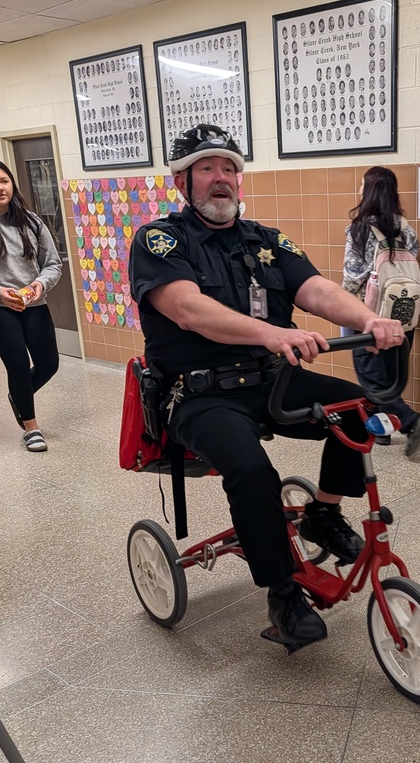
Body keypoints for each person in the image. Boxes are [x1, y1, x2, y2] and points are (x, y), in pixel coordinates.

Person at [128, 125, 405, 652]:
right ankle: (282, 594)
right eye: (207, 168)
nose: (221, 178)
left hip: (272, 381)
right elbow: (187, 309)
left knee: (355, 408)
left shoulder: (268, 240)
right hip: (199, 394)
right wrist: (273, 333)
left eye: (229, 168)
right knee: (253, 471)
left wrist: (372, 321)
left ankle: (322, 513)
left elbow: (318, 290)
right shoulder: (160, 240)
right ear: (183, 180)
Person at [341, 166, 420, 456]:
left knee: (371, 377)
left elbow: (353, 276)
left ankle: (410, 421)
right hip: (404, 311)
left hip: (371, 314)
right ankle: (383, 432)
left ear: (369, 190)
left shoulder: (359, 228)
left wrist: (346, 312)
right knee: (392, 373)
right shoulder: (407, 228)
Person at [0, 159, 62, 452]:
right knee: (17, 363)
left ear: (12, 183)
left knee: (48, 364)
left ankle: (18, 396)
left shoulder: (31, 222)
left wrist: (38, 286)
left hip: (33, 302)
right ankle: (31, 427)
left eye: (3, 180)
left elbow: (53, 265)